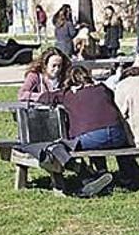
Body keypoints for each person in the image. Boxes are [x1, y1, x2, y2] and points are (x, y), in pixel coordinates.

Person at [37, 66, 133, 196]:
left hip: (93, 137)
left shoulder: (68, 94)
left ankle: (88, 176)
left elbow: (44, 97)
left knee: (60, 146)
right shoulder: (102, 88)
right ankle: (127, 176)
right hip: (119, 135)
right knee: (108, 138)